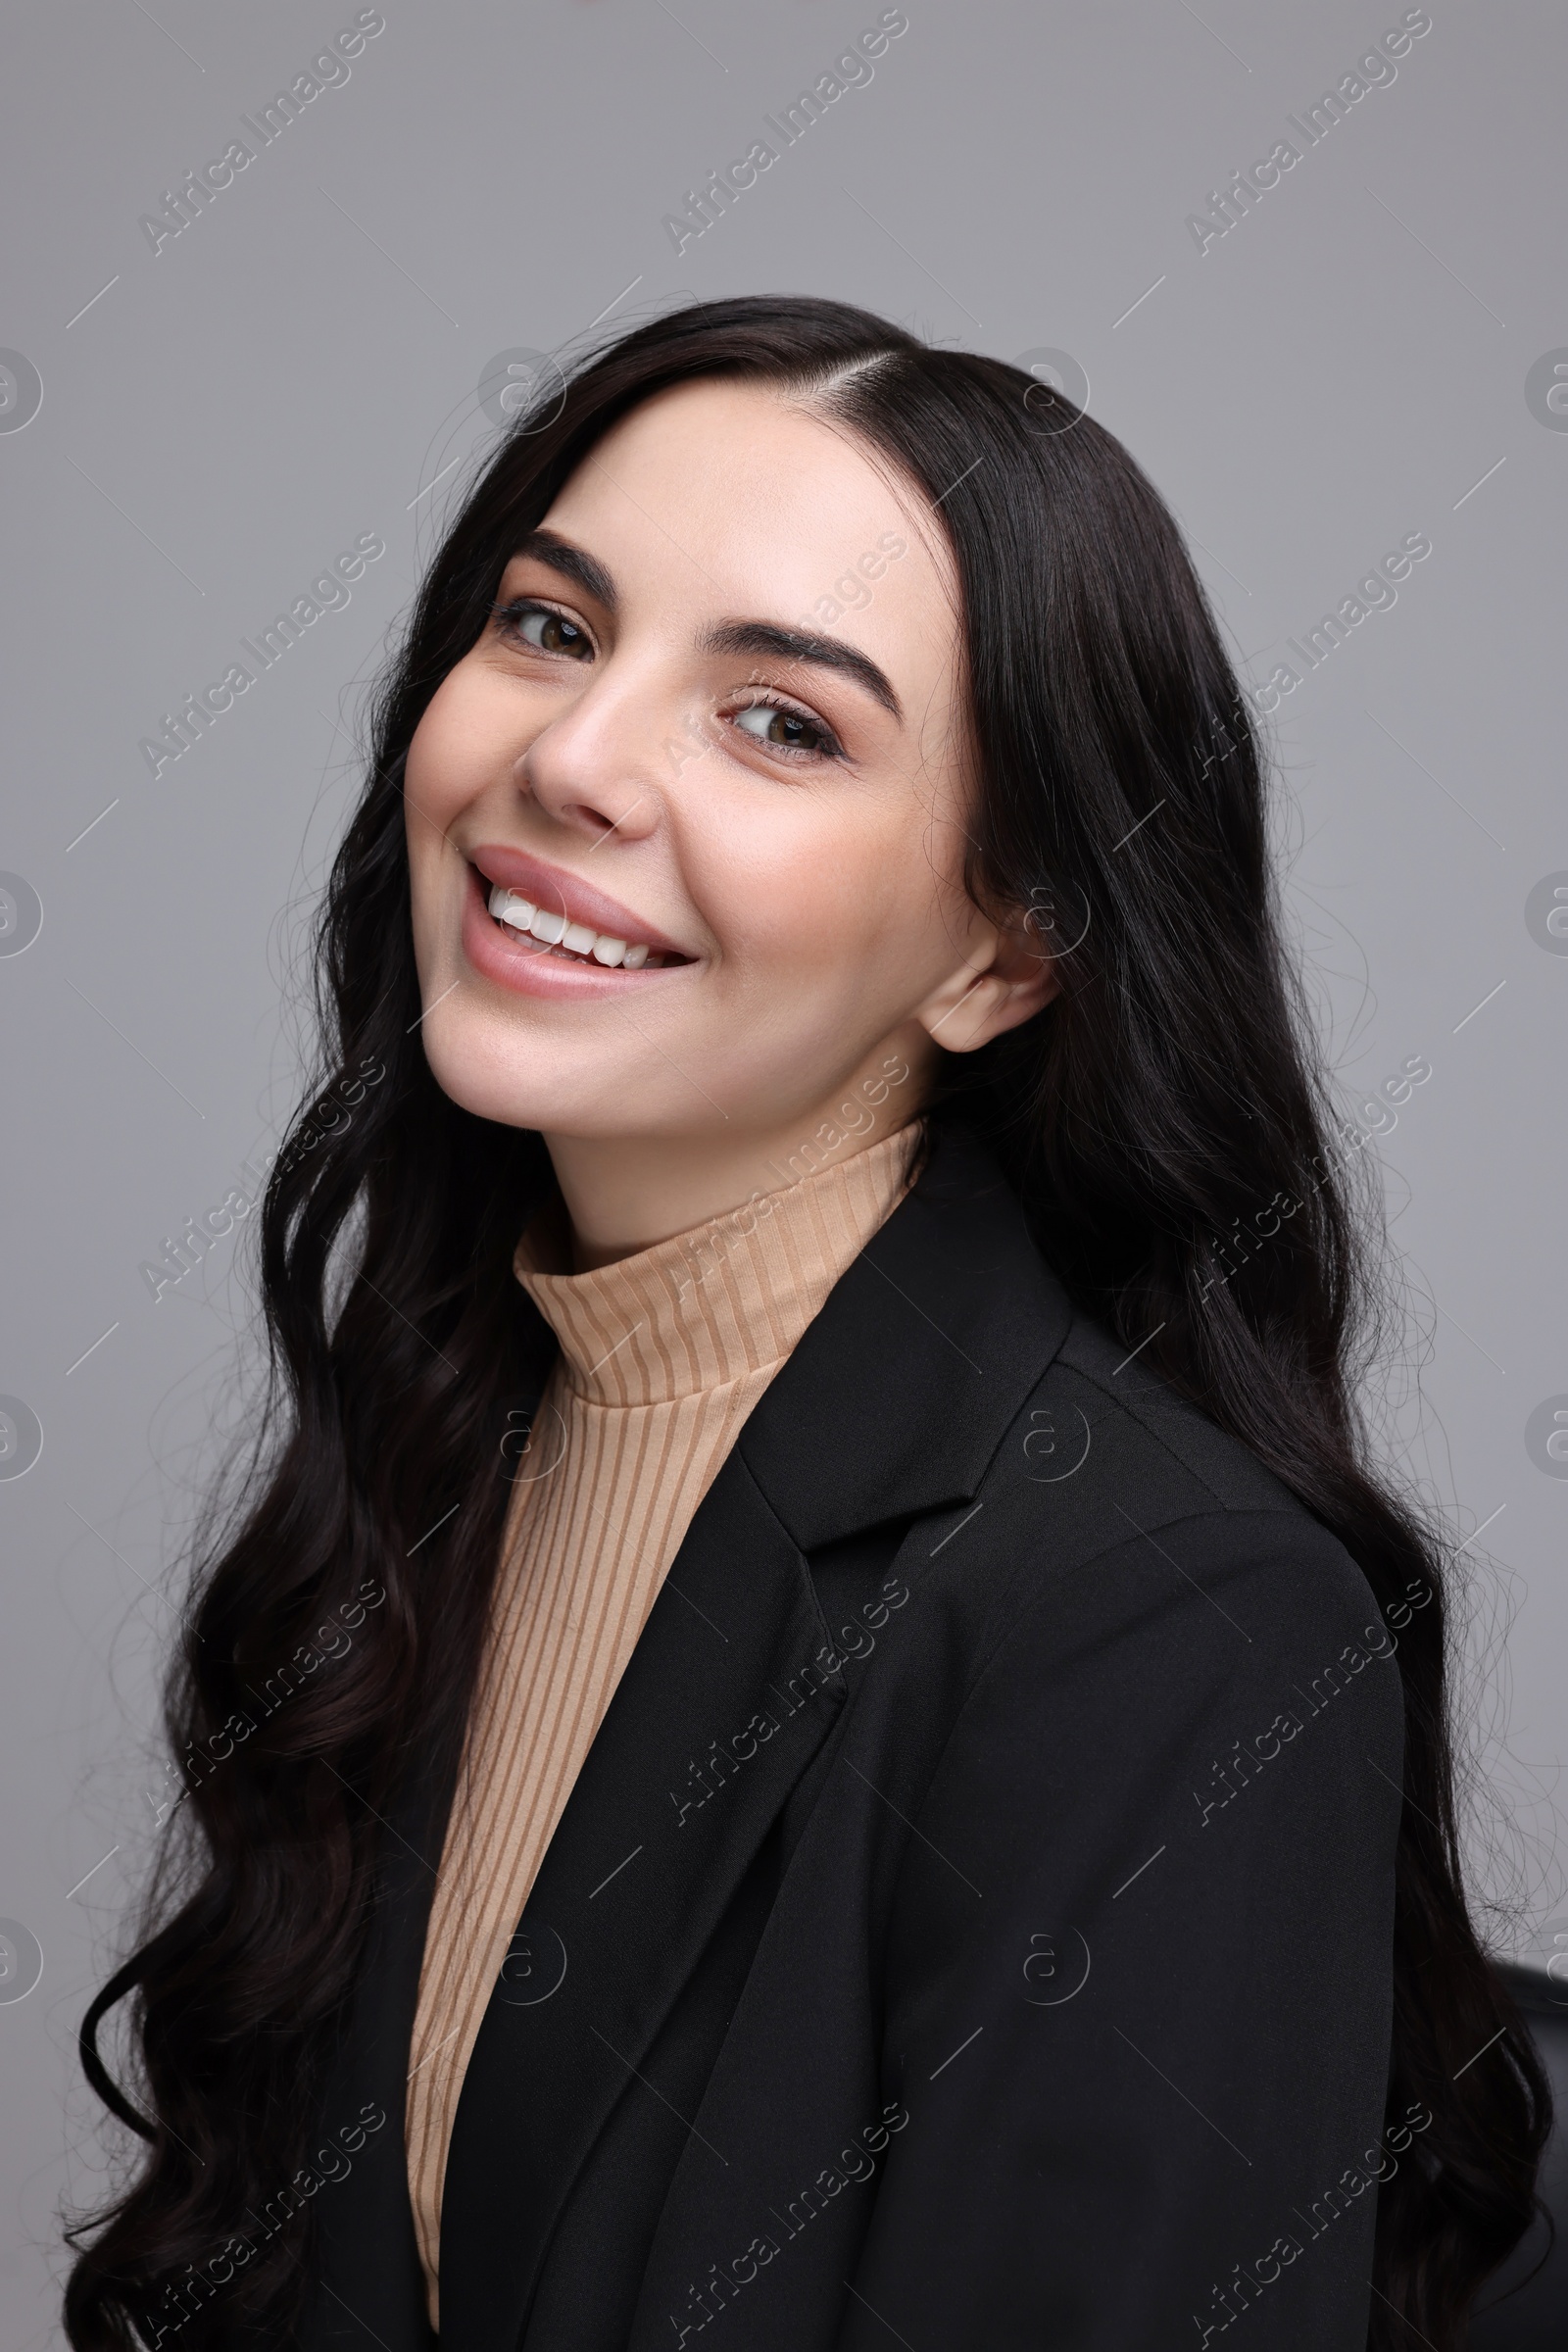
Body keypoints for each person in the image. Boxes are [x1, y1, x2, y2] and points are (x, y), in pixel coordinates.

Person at [66, 295, 1546, 2351]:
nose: (570, 761)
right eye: (551, 627)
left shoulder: (1165, 1629)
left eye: (780, 722)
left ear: (1002, 949)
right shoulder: (465, 1426)